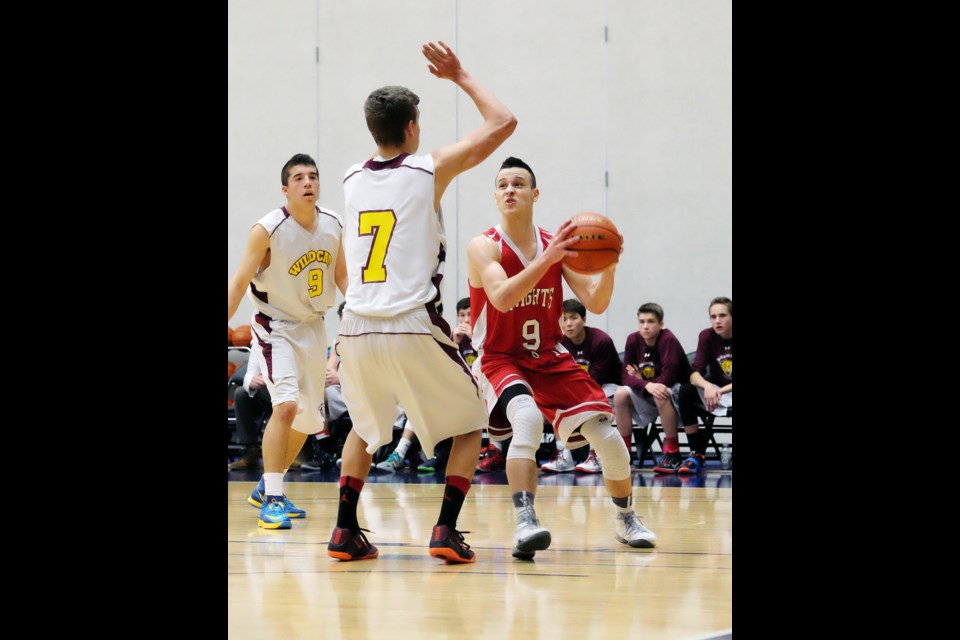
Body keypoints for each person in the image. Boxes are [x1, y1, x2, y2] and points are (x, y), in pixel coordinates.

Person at [328, 40, 517, 564]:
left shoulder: (349, 178)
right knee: (472, 421)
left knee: (366, 429)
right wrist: (458, 75)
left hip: (355, 328)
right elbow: (503, 121)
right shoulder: (428, 169)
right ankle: (444, 530)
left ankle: (344, 530)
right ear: (413, 127)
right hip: (412, 322)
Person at [467, 156, 656, 559]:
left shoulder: (555, 244)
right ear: (495, 196)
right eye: (502, 185)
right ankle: (525, 521)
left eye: (518, 184)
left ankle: (626, 518)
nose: (510, 190)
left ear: (534, 195)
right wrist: (548, 259)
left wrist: (609, 264)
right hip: (500, 357)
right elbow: (502, 297)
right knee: (528, 417)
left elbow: (595, 301)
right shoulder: (484, 245)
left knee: (606, 436)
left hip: (549, 356)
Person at [227, 153, 348, 529]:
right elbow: (239, 281)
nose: (308, 182)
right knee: (286, 406)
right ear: (285, 189)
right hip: (274, 326)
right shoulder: (267, 229)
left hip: (313, 326)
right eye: (299, 178)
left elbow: (343, 278)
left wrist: (364, 311)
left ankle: (266, 486)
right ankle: (275, 499)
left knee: (308, 420)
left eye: (313, 176)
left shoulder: (333, 224)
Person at [543, 298, 624, 474]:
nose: (568, 324)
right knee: (555, 400)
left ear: (584, 320)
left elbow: (595, 380)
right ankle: (563, 455)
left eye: (573, 318)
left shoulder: (601, 340)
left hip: (608, 387)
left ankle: (596, 455)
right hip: (577, 388)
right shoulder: (559, 344)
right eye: (564, 319)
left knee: (592, 401)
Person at [613, 303, 691, 474]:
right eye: (642, 322)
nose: (645, 326)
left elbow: (668, 377)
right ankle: (625, 456)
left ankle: (673, 453)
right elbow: (626, 377)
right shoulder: (633, 340)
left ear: (661, 324)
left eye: (651, 321)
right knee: (620, 394)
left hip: (677, 393)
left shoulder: (668, 339)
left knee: (661, 393)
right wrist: (646, 384)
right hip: (649, 390)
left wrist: (644, 381)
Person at [672, 296, 733, 474]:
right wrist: (707, 386)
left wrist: (719, 390)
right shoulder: (706, 336)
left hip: (724, 391)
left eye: (722, 316)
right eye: (713, 317)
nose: (717, 321)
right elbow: (694, 372)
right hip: (716, 392)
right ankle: (696, 453)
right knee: (685, 391)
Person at [228, 352, 272, 471]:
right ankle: (250, 452)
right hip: (269, 390)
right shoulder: (259, 339)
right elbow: (250, 372)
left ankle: (304, 451)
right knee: (241, 393)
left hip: (292, 388)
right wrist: (250, 382)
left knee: (300, 396)